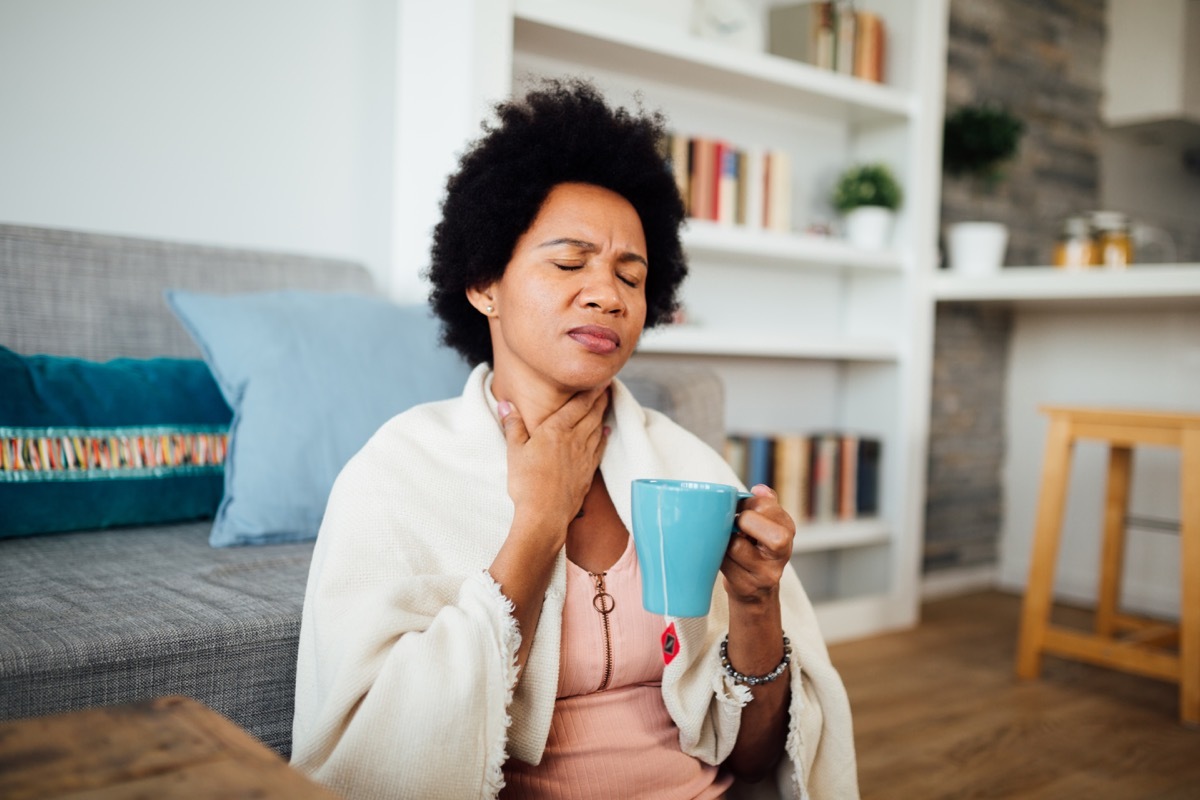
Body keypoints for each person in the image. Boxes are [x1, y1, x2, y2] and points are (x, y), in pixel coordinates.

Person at [290, 78, 858, 800]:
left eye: (632, 274)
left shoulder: (688, 468)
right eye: (568, 263)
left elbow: (754, 764)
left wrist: (754, 605)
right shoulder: (397, 473)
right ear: (483, 282)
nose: (608, 294)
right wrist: (537, 521)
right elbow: (378, 756)